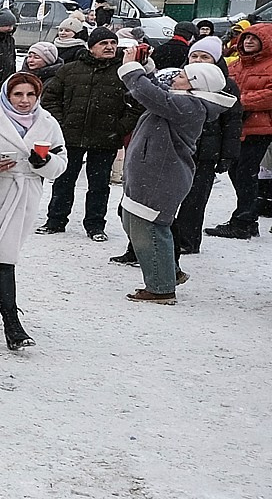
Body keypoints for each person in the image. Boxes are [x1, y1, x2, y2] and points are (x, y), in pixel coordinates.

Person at [0, 73, 66, 350]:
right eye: (18, 94)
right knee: (1, 257)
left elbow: (62, 162)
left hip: (25, 195)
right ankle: (13, 326)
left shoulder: (48, 123)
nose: (24, 101)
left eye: (31, 95)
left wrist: (45, 162)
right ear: (7, 94)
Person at [116, 56, 233, 303]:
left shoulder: (190, 106)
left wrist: (132, 69)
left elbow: (149, 95)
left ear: (195, 85)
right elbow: (157, 91)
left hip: (161, 177)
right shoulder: (183, 101)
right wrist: (146, 67)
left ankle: (161, 288)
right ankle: (168, 271)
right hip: (153, 174)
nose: (174, 78)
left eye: (181, 77)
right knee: (134, 221)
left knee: (149, 228)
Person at [39, 28, 135, 240]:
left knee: (99, 185)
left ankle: (95, 226)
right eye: (103, 43)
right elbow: (50, 97)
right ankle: (55, 221)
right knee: (64, 181)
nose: (109, 47)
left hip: (105, 139)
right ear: (91, 47)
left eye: (112, 42)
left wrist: (119, 127)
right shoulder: (70, 70)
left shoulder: (124, 72)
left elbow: (135, 105)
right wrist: (61, 124)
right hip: (71, 137)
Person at [167, 38, 242, 256]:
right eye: (195, 56)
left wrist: (228, 154)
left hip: (207, 151)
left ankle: (187, 240)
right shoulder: (178, 79)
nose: (199, 60)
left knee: (195, 199)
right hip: (178, 148)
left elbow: (233, 122)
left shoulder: (227, 85)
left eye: (205, 56)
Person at [207, 26, 272, 240]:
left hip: (258, 128)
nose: (249, 42)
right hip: (235, 127)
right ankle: (247, 217)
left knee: (246, 173)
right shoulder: (235, 65)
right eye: (246, 38)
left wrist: (239, 102)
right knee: (236, 172)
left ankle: (243, 221)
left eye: (255, 38)